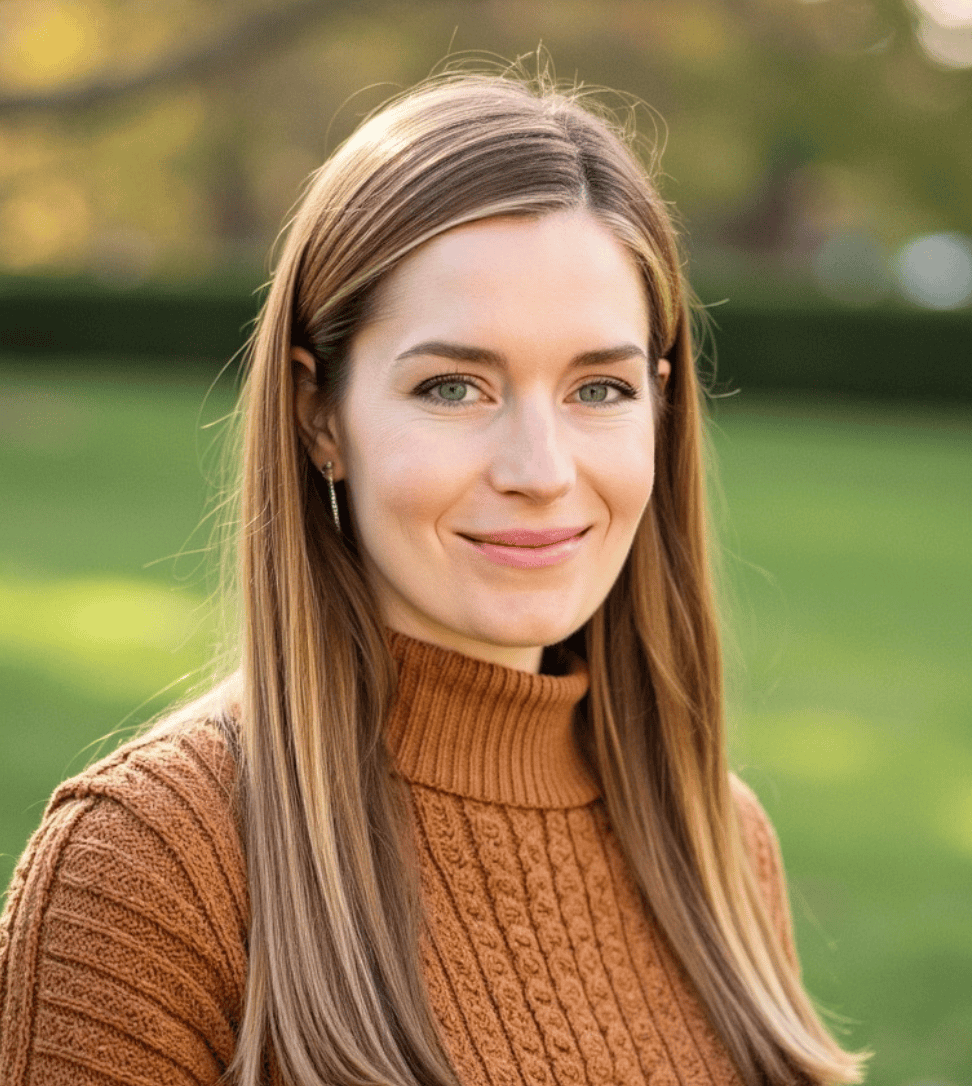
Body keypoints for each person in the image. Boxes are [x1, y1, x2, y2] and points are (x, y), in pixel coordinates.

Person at [0, 70, 868, 1086]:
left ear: (662, 405)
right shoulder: (149, 867)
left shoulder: (718, 840)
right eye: (453, 387)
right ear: (319, 414)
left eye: (600, 387)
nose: (541, 471)